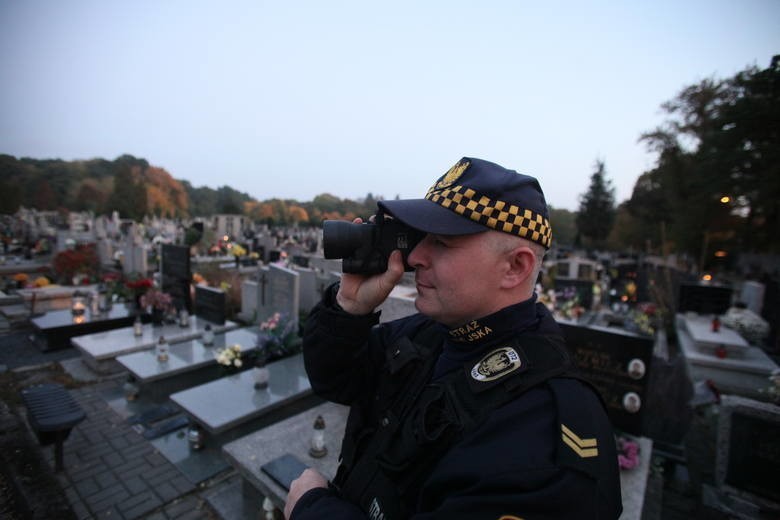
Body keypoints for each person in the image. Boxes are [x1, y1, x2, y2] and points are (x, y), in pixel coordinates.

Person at [285, 157, 622, 519]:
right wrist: (349, 309)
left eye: (442, 243)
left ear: (515, 267)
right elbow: (334, 381)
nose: (415, 256)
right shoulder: (428, 334)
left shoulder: (544, 438)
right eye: (420, 238)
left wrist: (312, 510)